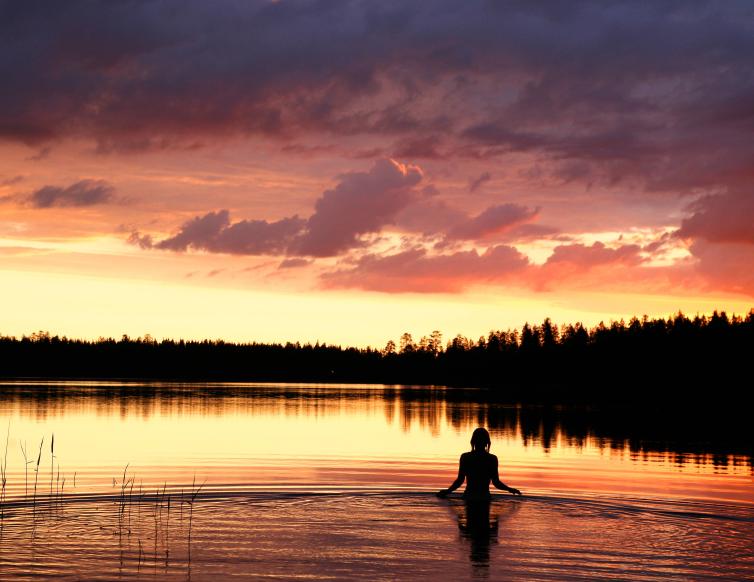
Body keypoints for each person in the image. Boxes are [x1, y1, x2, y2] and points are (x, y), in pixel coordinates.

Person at [437, 427, 522, 498]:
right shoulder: (492, 459)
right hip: (484, 497)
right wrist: (510, 489)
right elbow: (496, 483)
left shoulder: (466, 457)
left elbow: (460, 480)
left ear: (473, 442)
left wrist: (447, 491)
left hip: (469, 496)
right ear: (487, 443)